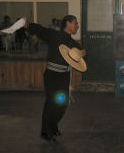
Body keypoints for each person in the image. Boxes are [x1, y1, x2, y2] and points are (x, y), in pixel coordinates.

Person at [25, 15, 86, 143]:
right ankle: (45, 131)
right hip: (52, 75)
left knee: (61, 104)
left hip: (64, 77)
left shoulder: (71, 42)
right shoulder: (53, 35)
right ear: (68, 24)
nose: (77, 26)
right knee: (52, 103)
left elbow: (80, 50)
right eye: (75, 23)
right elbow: (39, 29)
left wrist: (83, 52)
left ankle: (53, 127)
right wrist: (27, 24)